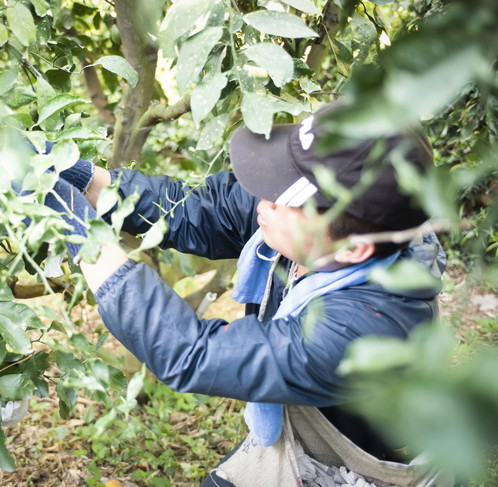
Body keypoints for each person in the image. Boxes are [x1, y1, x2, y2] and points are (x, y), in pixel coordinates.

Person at [41, 100, 449, 486]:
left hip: (352, 464)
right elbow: (194, 211)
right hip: (298, 424)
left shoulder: (360, 330)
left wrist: (81, 235)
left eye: (285, 199)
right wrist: (79, 176)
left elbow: (193, 354)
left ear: (353, 247)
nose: (263, 200)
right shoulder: (329, 229)